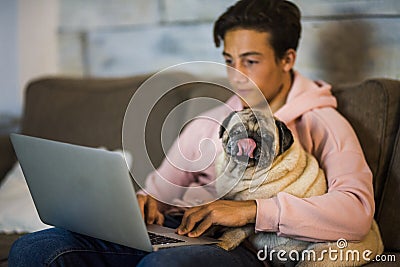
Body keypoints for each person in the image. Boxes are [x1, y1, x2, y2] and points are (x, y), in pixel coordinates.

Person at [9, 0, 375, 266]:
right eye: (230, 61)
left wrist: (251, 211)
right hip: (182, 228)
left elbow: (357, 211)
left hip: (249, 247)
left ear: (287, 59)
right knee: (34, 250)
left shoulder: (321, 122)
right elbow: (160, 188)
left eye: (251, 61)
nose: (237, 75)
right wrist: (144, 201)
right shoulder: (211, 122)